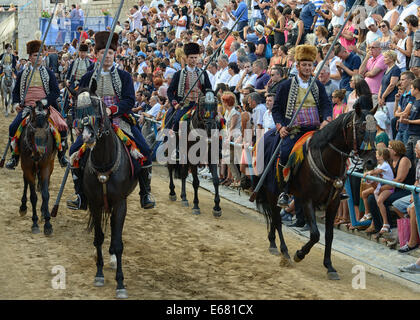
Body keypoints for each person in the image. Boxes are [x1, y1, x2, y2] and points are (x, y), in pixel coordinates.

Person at [66, 31, 155, 211]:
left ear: (115, 54)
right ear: (96, 55)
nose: (107, 57)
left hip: (119, 120)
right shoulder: (86, 78)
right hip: (93, 123)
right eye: (102, 53)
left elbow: (129, 100)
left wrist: (111, 110)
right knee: (74, 150)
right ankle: (80, 195)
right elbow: (80, 103)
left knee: (145, 150)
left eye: (111, 53)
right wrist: (80, 123)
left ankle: (145, 193)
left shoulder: (124, 76)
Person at [271, 44, 332, 207]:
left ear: (313, 66)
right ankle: (284, 190)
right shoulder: (285, 85)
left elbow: (326, 104)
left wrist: (326, 118)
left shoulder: (318, 85)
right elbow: (276, 109)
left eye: (309, 65)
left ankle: (333, 187)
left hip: (315, 129)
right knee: (284, 154)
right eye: (303, 65)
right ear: (297, 66)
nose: (306, 68)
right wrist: (281, 127)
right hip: (294, 130)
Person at [6, 40, 68, 170]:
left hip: (45, 107)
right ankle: (14, 157)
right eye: (35, 55)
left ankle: (62, 156)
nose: (38, 57)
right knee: (13, 127)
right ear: (29, 57)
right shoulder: (22, 73)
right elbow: (16, 92)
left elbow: (55, 92)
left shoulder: (49, 73)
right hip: (27, 108)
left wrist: (44, 102)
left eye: (40, 55)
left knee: (62, 126)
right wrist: (17, 103)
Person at [365, 140, 415, 234]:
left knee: (384, 200)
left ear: (395, 151)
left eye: (389, 147)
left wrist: (383, 187)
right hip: (394, 188)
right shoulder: (391, 161)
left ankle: (388, 226)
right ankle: (377, 226)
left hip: (405, 189)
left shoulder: (404, 160)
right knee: (371, 198)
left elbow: (399, 179)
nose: (387, 149)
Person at [164, 42, 212, 135]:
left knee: (216, 121)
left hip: (200, 105)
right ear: (186, 58)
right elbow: (170, 91)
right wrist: (175, 104)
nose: (194, 60)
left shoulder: (203, 73)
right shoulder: (178, 74)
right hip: (184, 105)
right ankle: (176, 145)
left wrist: (206, 99)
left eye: (195, 57)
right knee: (178, 120)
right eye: (191, 58)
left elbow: (209, 89)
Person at [378, 50, 401, 139]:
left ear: (391, 58)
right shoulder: (386, 70)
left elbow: (392, 85)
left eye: (386, 57)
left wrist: (383, 96)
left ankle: (392, 141)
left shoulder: (396, 69)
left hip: (391, 99)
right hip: (384, 100)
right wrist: (380, 97)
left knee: (391, 122)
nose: (384, 59)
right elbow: (381, 85)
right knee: (384, 122)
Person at [358, 41, 386, 107]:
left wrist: (366, 74)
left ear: (379, 49)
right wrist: (366, 58)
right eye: (369, 47)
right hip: (367, 93)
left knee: (375, 114)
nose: (370, 49)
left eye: (373, 47)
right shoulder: (370, 59)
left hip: (376, 93)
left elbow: (373, 73)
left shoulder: (382, 58)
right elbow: (360, 72)